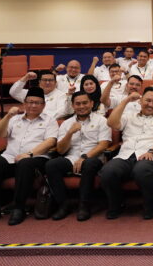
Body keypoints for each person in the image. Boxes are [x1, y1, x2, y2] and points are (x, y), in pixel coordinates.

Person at [0, 87, 58, 226]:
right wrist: (7, 116)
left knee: (25, 163)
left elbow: (51, 141)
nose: (33, 105)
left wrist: (29, 154)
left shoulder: (49, 120)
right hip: (10, 157)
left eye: (37, 103)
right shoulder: (14, 119)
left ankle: (19, 207)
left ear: (43, 105)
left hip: (36, 159)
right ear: (24, 103)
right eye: (30, 102)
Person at [100, 87, 153, 219]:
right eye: (148, 100)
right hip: (125, 155)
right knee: (108, 171)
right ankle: (117, 204)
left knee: (141, 170)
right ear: (140, 101)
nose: (150, 104)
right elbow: (111, 123)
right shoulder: (129, 115)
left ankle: (151, 205)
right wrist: (126, 100)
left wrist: (152, 151)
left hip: (151, 156)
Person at [45, 91, 111, 221]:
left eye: (85, 103)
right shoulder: (66, 123)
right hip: (71, 158)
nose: (81, 106)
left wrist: (84, 157)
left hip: (93, 158)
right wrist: (69, 133)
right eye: (78, 104)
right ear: (73, 106)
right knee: (51, 165)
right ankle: (63, 205)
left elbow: (103, 144)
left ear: (91, 103)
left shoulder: (101, 121)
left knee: (89, 164)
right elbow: (61, 150)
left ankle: (84, 205)